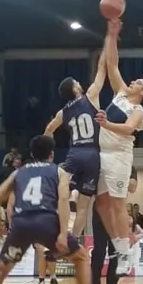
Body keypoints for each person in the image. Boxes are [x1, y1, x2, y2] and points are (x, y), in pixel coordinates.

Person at [0, 135, 100, 284]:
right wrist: (63, 234)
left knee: (1, 269)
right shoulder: (59, 172)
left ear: (32, 154)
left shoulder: (19, 172)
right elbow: (63, 200)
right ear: (51, 154)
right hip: (46, 222)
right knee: (81, 257)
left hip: (21, 224)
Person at [94, 18, 143, 276]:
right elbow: (111, 63)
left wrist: (106, 124)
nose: (133, 81)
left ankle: (126, 252)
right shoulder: (119, 92)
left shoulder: (138, 109)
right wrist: (111, 34)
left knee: (118, 206)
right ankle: (119, 246)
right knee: (101, 204)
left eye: (139, 82)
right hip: (102, 154)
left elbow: (129, 129)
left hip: (119, 157)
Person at [43, 30, 110, 238]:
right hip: (92, 155)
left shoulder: (63, 112)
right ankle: (73, 241)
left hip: (74, 153)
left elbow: (47, 131)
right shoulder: (90, 96)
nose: (79, 83)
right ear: (75, 88)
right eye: (76, 82)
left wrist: (48, 157)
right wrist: (109, 43)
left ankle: (59, 231)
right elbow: (101, 69)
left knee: (61, 194)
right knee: (84, 208)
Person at [90, 166, 137, 284]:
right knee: (98, 251)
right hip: (101, 211)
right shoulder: (102, 164)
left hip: (117, 211)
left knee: (116, 251)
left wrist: (118, 176)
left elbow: (133, 187)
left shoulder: (128, 166)